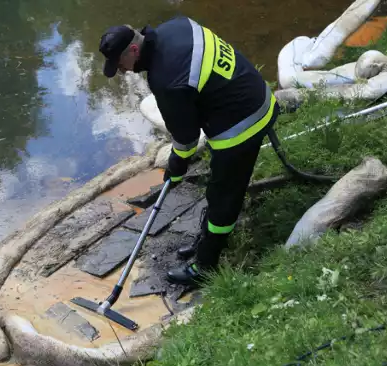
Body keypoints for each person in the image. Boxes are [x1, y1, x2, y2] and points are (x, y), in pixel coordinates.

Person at [98, 16, 280, 287]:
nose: (123, 71)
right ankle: (205, 240)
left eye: (121, 64)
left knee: (223, 196)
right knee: (217, 186)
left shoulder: (167, 80)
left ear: (134, 51)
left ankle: (205, 266)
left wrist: (176, 167)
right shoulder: (176, 26)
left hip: (244, 123)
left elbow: (186, 139)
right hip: (255, 92)